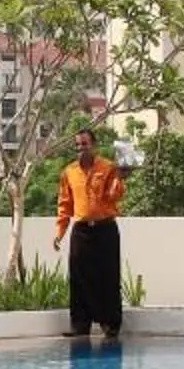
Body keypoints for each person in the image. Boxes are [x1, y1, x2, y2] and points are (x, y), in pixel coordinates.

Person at [52, 127, 125, 339]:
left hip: (105, 229)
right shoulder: (69, 172)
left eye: (84, 144)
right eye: (77, 145)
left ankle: (110, 324)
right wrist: (60, 232)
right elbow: (65, 205)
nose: (81, 148)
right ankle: (80, 324)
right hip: (81, 231)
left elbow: (114, 196)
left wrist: (120, 178)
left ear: (93, 145)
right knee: (79, 278)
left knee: (108, 277)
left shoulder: (108, 167)